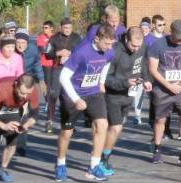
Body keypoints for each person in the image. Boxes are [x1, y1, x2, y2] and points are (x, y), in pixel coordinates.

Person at [55, 25, 116, 181]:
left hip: (93, 92)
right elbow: (63, 77)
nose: (109, 47)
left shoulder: (109, 52)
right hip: (72, 94)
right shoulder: (81, 53)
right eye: (106, 44)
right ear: (97, 39)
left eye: (111, 44)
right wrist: (76, 99)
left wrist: (101, 82)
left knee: (102, 125)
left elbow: (106, 63)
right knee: (66, 133)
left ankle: (94, 166)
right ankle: (61, 164)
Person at [147, 20, 181, 166]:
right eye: (177, 37)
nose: (180, 40)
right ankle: (157, 149)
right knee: (161, 120)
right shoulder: (158, 45)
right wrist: (168, 85)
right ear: (171, 32)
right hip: (163, 88)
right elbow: (152, 69)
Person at [103, 27, 152, 175]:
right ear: (126, 40)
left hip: (129, 94)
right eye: (133, 46)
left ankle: (102, 152)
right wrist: (125, 83)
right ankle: (102, 159)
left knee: (116, 128)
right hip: (113, 94)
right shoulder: (114, 51)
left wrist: (146, 80)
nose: (136, 49)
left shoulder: (142, 47)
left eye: (139, 46)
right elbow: (105, 78)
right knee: (115, 127)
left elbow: (143, 64)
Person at [44, 18, 82, 134]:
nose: (67, 30)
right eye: (65, 28)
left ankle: (69, 124)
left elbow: (82, 52)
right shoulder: (54, 38)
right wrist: (58, 53)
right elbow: (47, 53)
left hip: (72, 71)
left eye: (69, 28)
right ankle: (49, 122)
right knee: (53, 95)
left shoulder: (77, 38)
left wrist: (71, 54)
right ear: (61, 28)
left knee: (69, 99)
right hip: (58, 70)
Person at [14, 32, 45, 156]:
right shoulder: (11, 50)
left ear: (28, 43)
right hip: (13, 84)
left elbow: (37, 65)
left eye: (23, 43)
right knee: (9, 115)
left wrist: (42, 80)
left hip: (27, 84)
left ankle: (21, 145)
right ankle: (0, 144)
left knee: (24, 115)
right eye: (18, 42)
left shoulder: (33, 50)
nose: (20, 45)